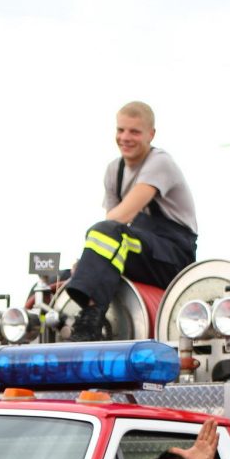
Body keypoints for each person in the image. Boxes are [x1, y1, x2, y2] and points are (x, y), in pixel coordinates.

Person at [66, 101, 198, 342]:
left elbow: (122, 216)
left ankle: (90, 322)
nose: (125, 137)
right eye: (120, 130)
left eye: (134, 132)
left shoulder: (160, 163)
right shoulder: (113, 171)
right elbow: (115, 228)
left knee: (104, 233)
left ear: (151, 134)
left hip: (173, 257)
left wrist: (88, 260)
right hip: (137, 249)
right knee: (79, 262)